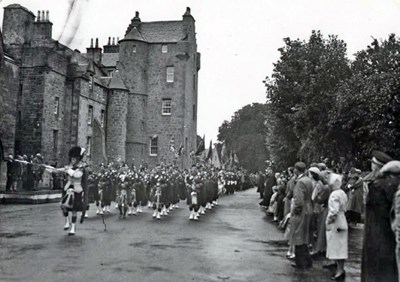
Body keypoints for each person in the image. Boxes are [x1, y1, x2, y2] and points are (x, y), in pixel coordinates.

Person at [361, 150, 398, 282]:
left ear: (376, 166)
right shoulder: (394, 184)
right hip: (389, 235)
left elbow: (375, 216)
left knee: (373, 270)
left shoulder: (377, 185)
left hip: (375, 235)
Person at [56, 146, 88, 236]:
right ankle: (67, 221)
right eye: (72, 158)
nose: (72, 160)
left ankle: (73, 228)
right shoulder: (69, 167)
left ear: (78, 159)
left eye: (74, 159)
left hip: (77, 190)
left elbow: (77, 175)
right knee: (63, 206)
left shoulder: (81, 167)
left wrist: (68, 170)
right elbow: (59, 171)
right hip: (68, 188)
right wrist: (52, 169)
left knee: (74, 209)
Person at [290, 162, 313, 269]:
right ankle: (307, 260)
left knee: (298, 234)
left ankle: (300, 262)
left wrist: (294, 210)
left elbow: (298, 200)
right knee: (305, 235)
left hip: (301, 209)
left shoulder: (300, 182)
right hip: (309, 207)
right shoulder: (308, 180)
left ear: (296, 169)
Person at [325, 173, 348, 281]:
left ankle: (340, 270)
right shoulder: (342, 192)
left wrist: (328, 221)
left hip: (336, 221)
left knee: (337, 245)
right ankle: (338, 266)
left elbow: (334, 211)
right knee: (340, 245)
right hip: (342, 219)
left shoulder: (334, 194)